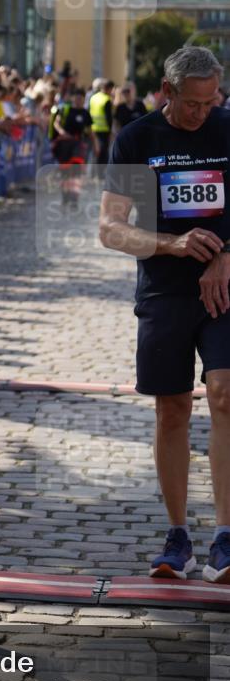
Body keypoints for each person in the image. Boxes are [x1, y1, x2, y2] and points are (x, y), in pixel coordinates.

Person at [100, 46, 230, 584]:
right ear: (168, 92)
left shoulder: (227, 128)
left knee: (224, 394)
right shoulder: (139, 139)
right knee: (172, 409)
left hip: (224, 290)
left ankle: (225, 534)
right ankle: (179, 535)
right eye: (193, 103)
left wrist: (224, 255)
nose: (203, 113)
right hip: (163, 291)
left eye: (212, 101)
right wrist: (171, 244)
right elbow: (111, 228)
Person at [89, 78, 115, 179]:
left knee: (95, 152)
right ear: (109, 88)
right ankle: (101, 175)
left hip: (93, 129)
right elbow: (109, 118)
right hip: (104, 130)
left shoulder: (93, 97)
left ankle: (93, 174)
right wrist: (111, 131)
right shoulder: (106, 100)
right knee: (103, 153)